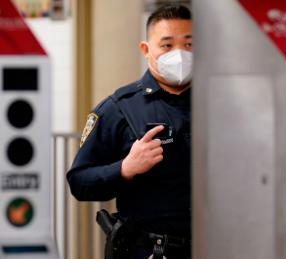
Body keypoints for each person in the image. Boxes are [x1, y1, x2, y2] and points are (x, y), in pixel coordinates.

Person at [67, 4, 192, 259]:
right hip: (150, 251)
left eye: (189, 44)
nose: (179, 54)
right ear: (146, 50)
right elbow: (80, 181)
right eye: (167, 45)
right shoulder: (119, 108)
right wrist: (124, 168)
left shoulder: (222, 106)